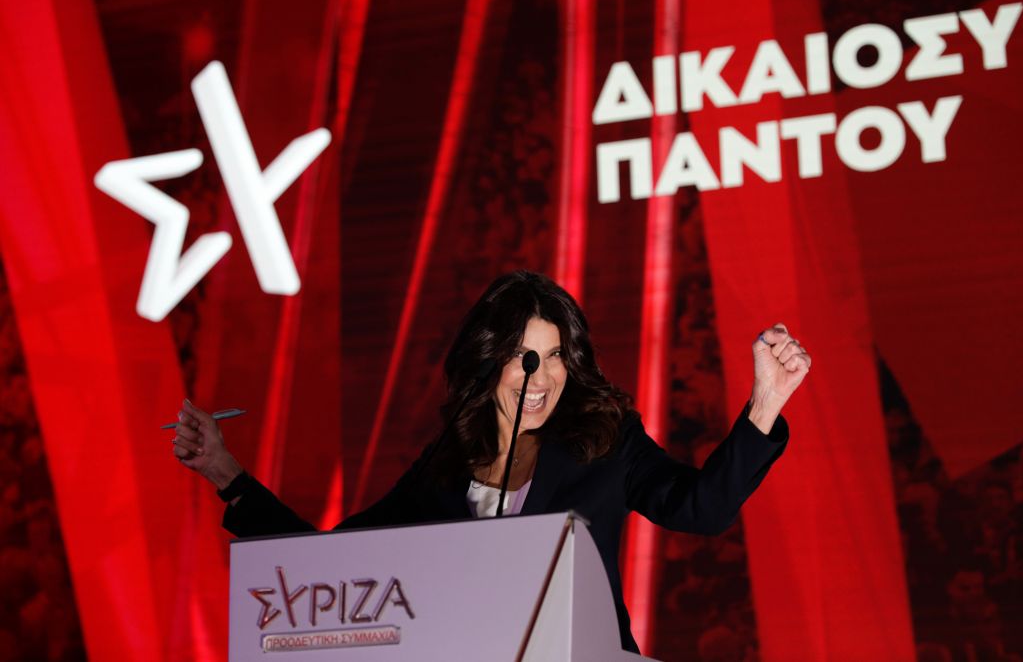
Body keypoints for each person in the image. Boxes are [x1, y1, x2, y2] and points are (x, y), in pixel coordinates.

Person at [170, 270, 811, 653]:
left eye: (555, 356)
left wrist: (765, 402)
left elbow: (701, 508)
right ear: (489, 360)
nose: (542, 375)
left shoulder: (604, 439)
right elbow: (339, 563)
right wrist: (226, 474)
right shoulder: (449, 461)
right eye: (525, 357)